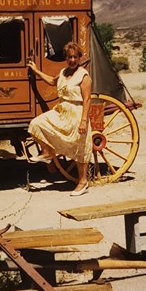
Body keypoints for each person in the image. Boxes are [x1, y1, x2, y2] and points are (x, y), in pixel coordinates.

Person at [27, 42, 92, 196]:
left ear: (79, 58)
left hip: (77, 112)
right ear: (66, 58)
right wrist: (36, 71)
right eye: (70, 57)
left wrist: (83, 121)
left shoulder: (83, 76)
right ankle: (48, 152)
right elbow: (51, 81)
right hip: (62, 110)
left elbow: (87, 99)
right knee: (36, 124)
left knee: (79, 146)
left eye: (75, 57)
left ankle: (83, 182)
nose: (72, 60)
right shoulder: (63, 72)